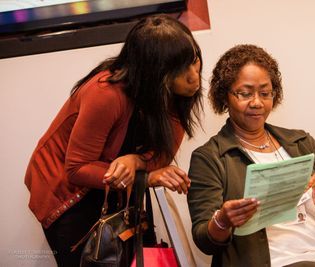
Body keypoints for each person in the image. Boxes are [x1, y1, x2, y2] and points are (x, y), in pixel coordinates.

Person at [187, 44, 315, 267]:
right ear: (225, 96)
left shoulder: (300, 141)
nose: (257, 102)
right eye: (245, 93)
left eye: (265, 93)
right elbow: (205, 240)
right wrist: (222, 220)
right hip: (272, 261)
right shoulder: (209, 157)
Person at [24, 14, 203, 267]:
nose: (194, 76)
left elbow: (161, 157)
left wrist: (136, 161)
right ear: (154, 71)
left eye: (194, 60)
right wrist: (147, 176)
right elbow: (76, 168)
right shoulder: (105, 93)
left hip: (118, 187)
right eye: (181, 68)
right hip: (71, 196)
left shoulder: (176, 92)